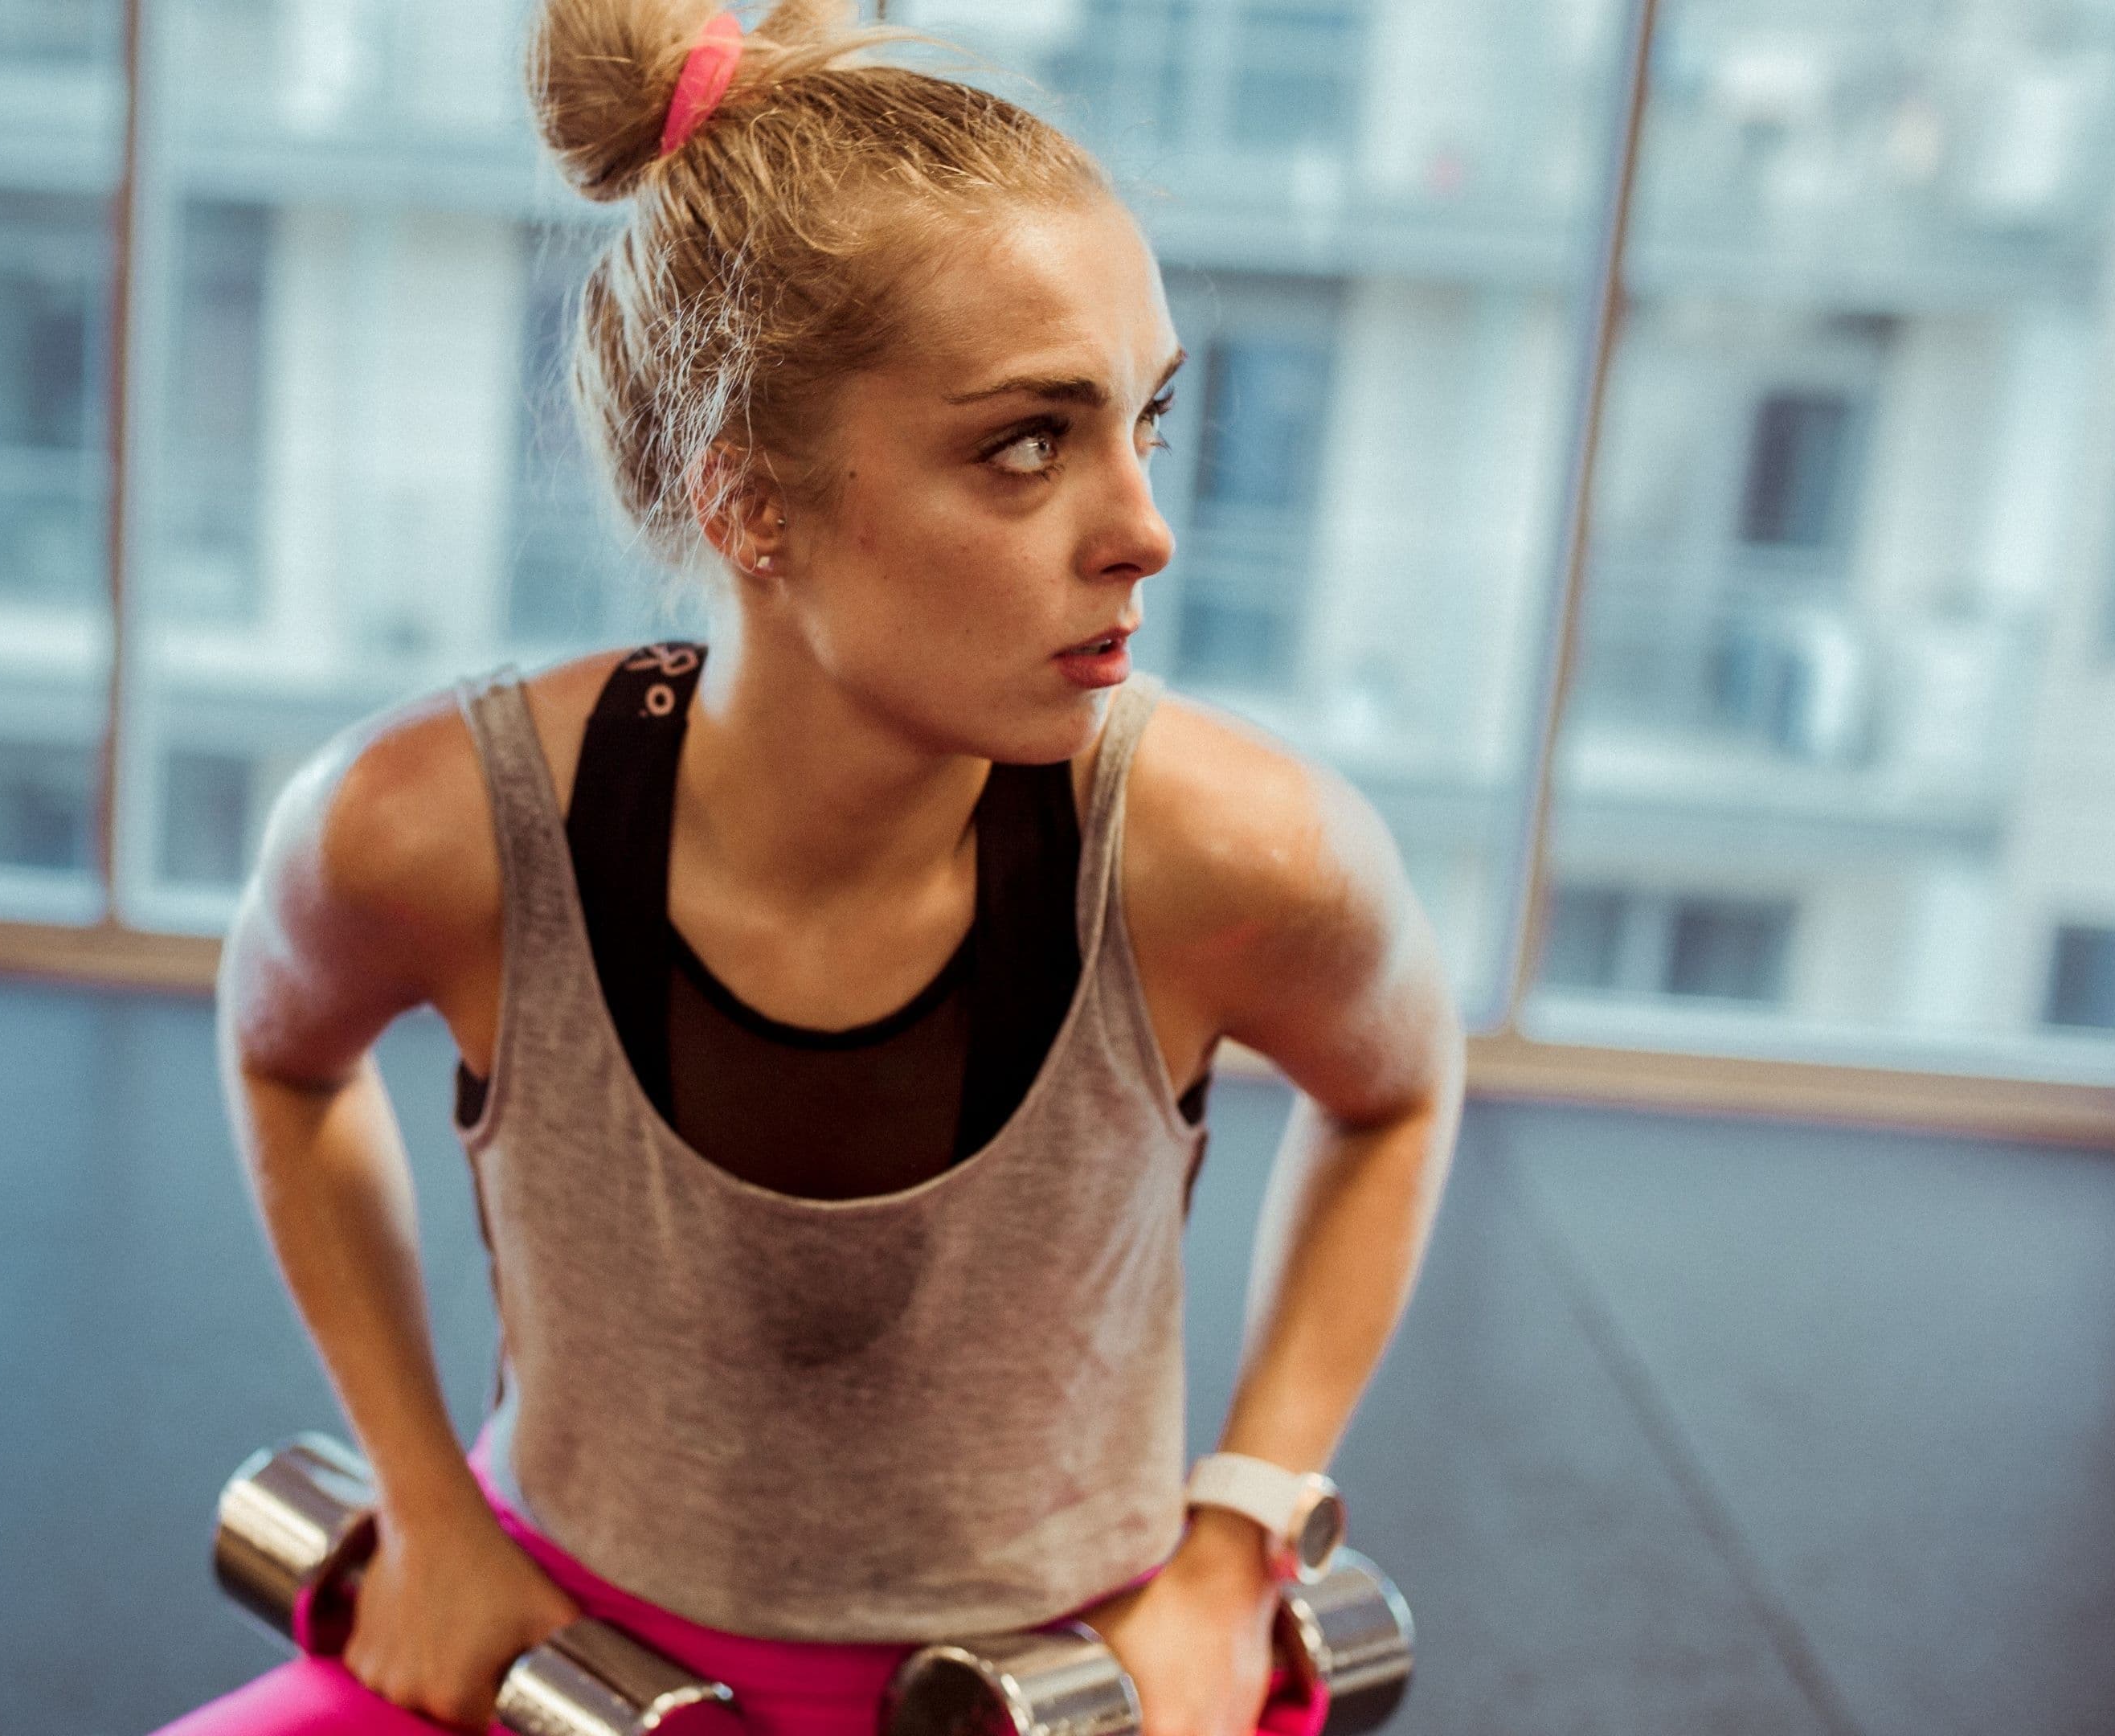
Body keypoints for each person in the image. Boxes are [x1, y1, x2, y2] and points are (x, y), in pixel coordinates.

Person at [171, 2, 1462, 1733]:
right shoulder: (433, 830)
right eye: (1028, 444)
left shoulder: (1234, 857)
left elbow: (1399, 1090)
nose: (1145, 529)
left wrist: (1238, 1550)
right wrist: (420, 1507)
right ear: (749, 506)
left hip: (1077, 1686)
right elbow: (282, 1052)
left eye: (1145, 420)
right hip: (552, 1655)